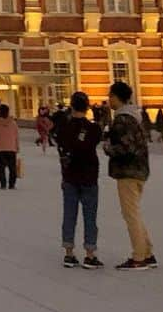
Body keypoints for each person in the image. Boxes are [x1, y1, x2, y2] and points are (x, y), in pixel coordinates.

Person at [104, 81, 156, 270]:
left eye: (110, 96)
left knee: (130, 214)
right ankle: (147, 252)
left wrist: (109, 148)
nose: (109, 100)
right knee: (134, 212)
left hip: (128, 171)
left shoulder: (122, 119)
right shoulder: (134, 116)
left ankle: (139, 257)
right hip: (139, 170)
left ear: (117, 97)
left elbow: (127, 147)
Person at [57, 92, 103, 269]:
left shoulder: (63, 127)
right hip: (89, 175)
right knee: (90, 215)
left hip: (69, 175)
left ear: (72, 106)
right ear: (87, 107)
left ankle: (69, 253)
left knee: (69, 214)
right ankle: (90, 254)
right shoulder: (94, 129)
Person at [0, 104, 20, 190]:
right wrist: (17, 147)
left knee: (1, 167)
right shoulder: (13, 122)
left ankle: (3, 184)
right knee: (12, 167)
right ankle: (12, 184)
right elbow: (16, 135)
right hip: (11, 147)